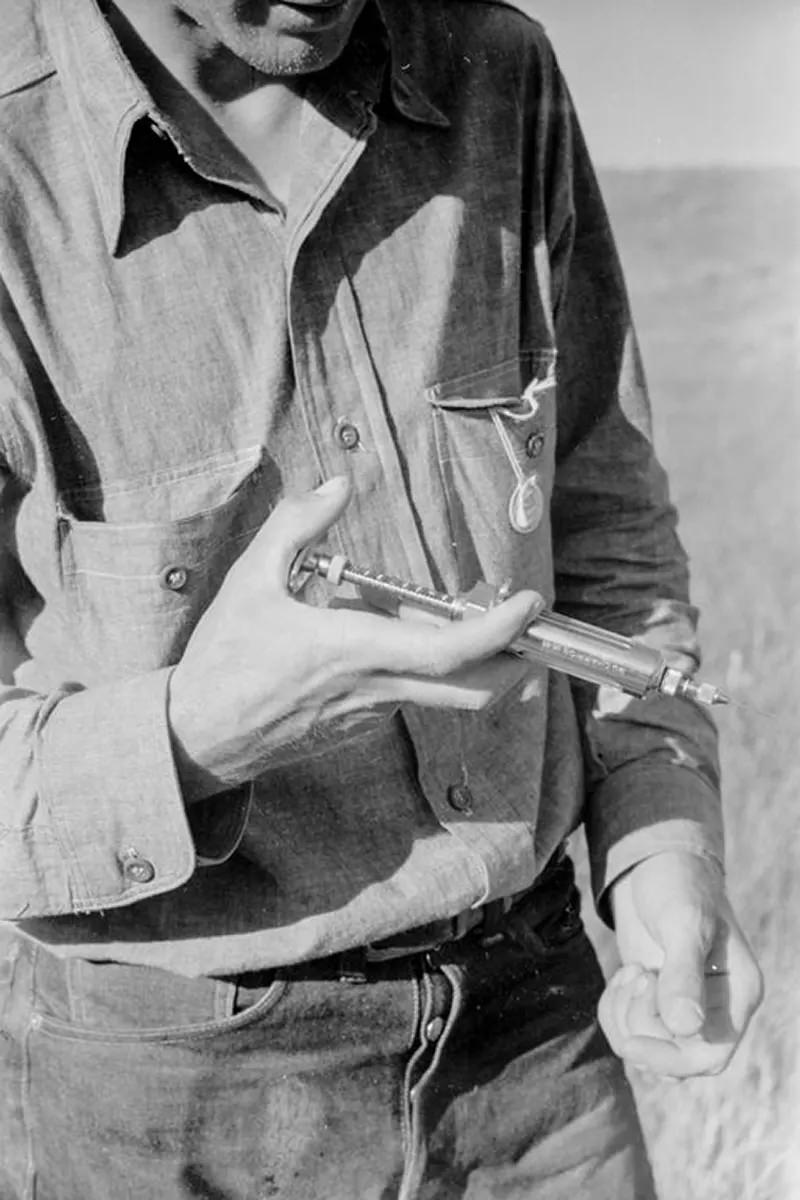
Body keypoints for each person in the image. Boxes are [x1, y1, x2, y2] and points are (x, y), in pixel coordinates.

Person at [0, 1, 762, 1197]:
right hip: (164, 1095)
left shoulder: (501, 75)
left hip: (540, 1047)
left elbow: (600, 524)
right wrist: (192, 734)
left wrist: (660, 846)